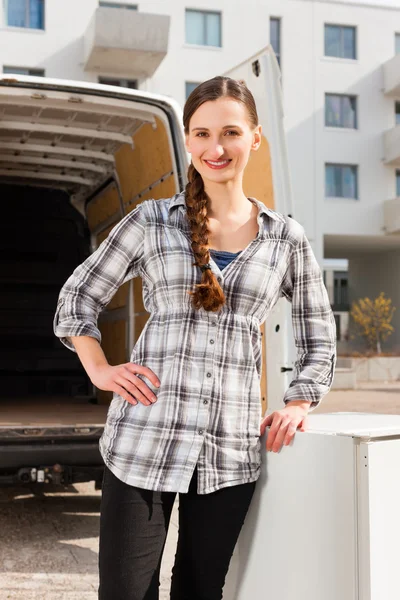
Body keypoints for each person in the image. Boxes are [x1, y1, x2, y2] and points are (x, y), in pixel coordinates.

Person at [53, 76, 337, 600]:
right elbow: (78, 298)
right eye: (202, 134)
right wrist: (100, 369)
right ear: (187, 141)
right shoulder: (151, 222)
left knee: (201, 591)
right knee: (125, 593)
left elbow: (318, 334)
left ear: (255, 138)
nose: (216, 147)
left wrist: (300, 399)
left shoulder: (285, 238)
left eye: (230, 132)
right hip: (143, 440)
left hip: (228, 452)